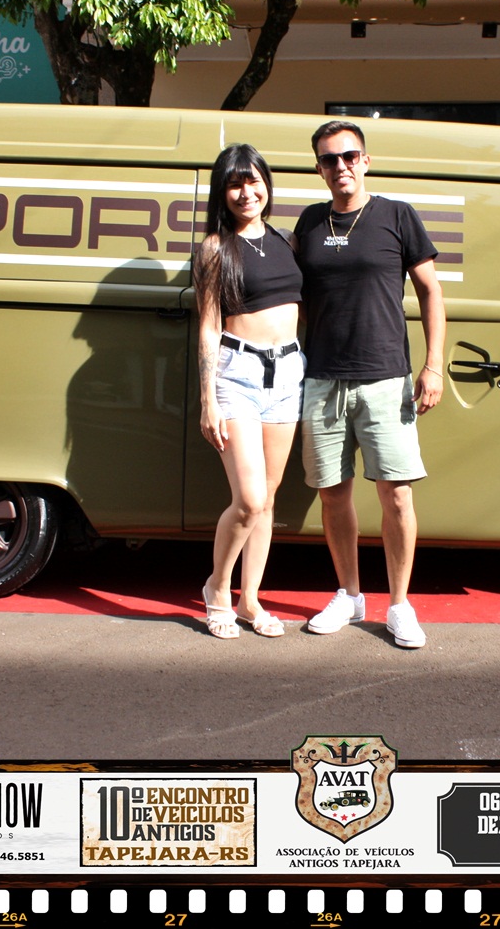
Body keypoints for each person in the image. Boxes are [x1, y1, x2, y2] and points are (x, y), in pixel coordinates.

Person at [295, 120, 445, 648]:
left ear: (365, 160)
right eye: (329, 159)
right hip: (322, 379)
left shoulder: (397, 215)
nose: (340, 166)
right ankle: (350, 595)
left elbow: (430, 291)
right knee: (333, 496)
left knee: (396, 495)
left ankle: (399, 605)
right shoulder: (309, 223)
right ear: (319, 168)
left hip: (385, 378)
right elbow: (295, 297)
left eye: (349, 156)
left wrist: (433, 365)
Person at [193, 143, 304, 639]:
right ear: (223, 191)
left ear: (267, 184)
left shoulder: (287, 241)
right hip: (236, 374)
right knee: (250, 499)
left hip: (288, 373)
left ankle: (249, 599)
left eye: (254, 181)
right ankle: (217, 588)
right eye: (235, 184)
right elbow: (208, 325)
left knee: (269, 499)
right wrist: (207, 400)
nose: (246, 192)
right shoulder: (215, 248)